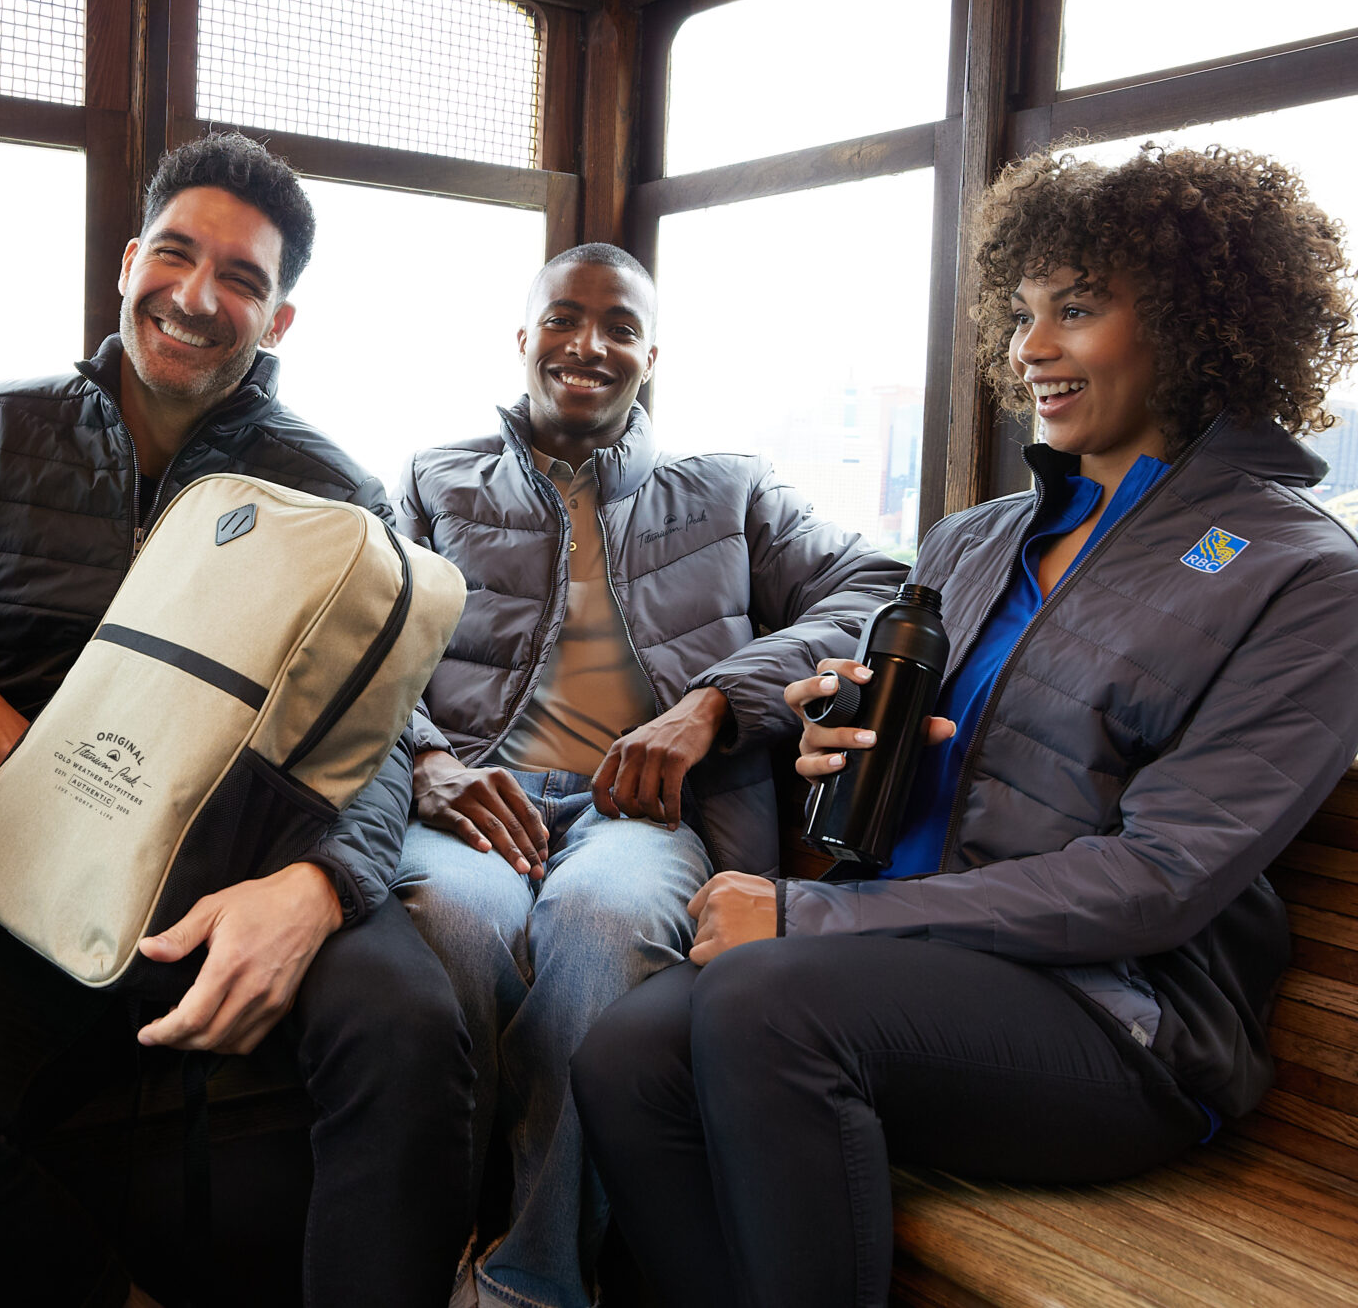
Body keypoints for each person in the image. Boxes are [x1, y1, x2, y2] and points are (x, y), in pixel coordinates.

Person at [574, 143, 1358, 1308]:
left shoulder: (1302, 576)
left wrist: (813, 913)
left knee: (764, 1006)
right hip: (910, 965)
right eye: (1023, 313)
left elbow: (1160, 881)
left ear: (1199, 325)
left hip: (1119, 1023)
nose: (1028, 348)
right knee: (622, 1053)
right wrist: (830, 743)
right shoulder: (976, 539)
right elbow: (927, 768)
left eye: (1075, 311)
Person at [0, 131, 474, 1308]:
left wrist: (316, 887)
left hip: (247, 851)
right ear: (126, 263)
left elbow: (380, 729)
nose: (195, 295)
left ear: (278, 322)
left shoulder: (327, 487)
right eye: (175, 254)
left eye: (242, 278)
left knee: (409, 1033)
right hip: (35, 864)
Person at [391, 243, 906, 1308]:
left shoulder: (726, 489)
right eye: (564, 319)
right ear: (523, 337)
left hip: (642, 814)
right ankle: (434, 1248)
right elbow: (356, 640)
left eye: (619, 327)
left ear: (649, 354)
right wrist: (430, 761)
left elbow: (879, 585)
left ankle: (529, 1282)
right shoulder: (430, 480)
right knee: (453, 922)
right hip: (472, 799)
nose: (589, 345)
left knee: (601, 927)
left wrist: (711, 704)